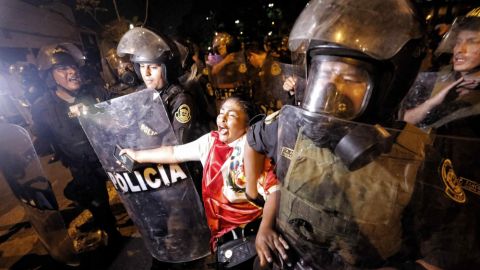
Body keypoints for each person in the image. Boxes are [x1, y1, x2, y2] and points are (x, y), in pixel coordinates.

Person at [242, 0, 450, 269]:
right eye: (324, 73)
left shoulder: (417, 156)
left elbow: (444, 245)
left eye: (351, 79)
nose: (331, 90)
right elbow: (256, 141)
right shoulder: (292, 126)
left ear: (390, 86)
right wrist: (261, 213)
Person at [118, 96, 280, 269]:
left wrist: (265, 228)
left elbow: (275, 190)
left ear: (247, 126)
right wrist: (137, 155)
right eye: (221, 113)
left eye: (231, 115)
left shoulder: (251, 153)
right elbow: (174, 152)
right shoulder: (211, 141)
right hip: (222, 240)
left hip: (249, 239)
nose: (222, 118)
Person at [401, 8, 480, 269]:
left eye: (473, 41)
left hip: (459, 217)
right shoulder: (441, 78)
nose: (460, 48)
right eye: (458, 40)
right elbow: (402, 125)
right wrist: (434, 102)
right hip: (415, 190)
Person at [31, 43, 122, 247]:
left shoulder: (96, 92)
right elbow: (41, 138)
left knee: (137, 191)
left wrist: (96, 111)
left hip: (115, 156)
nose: (72, 71)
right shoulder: (43, 107)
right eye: (62, 68)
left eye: (73, 66)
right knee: (99, 206)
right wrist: (21, 155)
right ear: (48, 76)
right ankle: (113, 235)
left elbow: (126, 109)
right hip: (83, 167)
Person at [207, 32, 250, 109]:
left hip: (236, 99)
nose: (220, 47)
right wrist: (224, 62)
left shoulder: (238, 59)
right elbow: (213, 73)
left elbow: (242, 82)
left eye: (223, 44)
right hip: (222, 99)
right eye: (219, 45)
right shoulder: (219, 59)